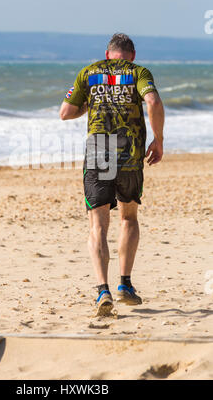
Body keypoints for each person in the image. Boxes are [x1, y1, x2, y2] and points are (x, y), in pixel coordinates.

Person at [59, 33, 165, 316]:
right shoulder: (138, 72)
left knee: (98, 225)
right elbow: (152, 102)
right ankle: (125, 284)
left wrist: (89, 105)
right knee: (128, 217)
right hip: (129, 150)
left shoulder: (89, 72)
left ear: (108, 55)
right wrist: (158, 139)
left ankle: (102, 290)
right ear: (131, 55)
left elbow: (65, 112)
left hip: (98, 150)